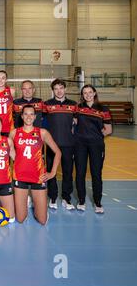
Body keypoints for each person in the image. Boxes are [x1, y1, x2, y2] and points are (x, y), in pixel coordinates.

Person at [10, 105, 61, 225]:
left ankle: (37, 206)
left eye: (31, 114)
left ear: (35, 116)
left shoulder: (42, 132)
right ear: (22, 116)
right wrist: (17, 160)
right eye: (26, 114)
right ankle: (27, 202)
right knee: (20, 219)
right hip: (20, 176)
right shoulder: (14, 133)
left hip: (38, 176)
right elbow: (9, 150)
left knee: (42, 220)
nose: (28, 116)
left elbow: (58, 152)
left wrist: (52, 172)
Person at [74, 85, 112, 213]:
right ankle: (81, 201)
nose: (88, 95)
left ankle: (98, 202)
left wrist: (95, 135)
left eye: (90, 92)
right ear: (82, 95)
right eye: (85, 93)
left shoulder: (103, 109)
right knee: (80, 173)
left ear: (94, 93)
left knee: (96, 173)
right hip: (80, 145)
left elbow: (108, 130)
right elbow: (74, 124)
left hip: (96, 145)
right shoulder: (78, 108)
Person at [44, 78, 77, 210]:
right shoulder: (47, 104)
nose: (59, 91)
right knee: (51, 171)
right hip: (53, 145)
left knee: (68, 172)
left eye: (61, 88)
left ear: (65, 89)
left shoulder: (73, 104)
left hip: (69, 144)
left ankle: (66, 198)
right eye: (56, 89)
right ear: (53, 90)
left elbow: (77, 123)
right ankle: (52, 197)